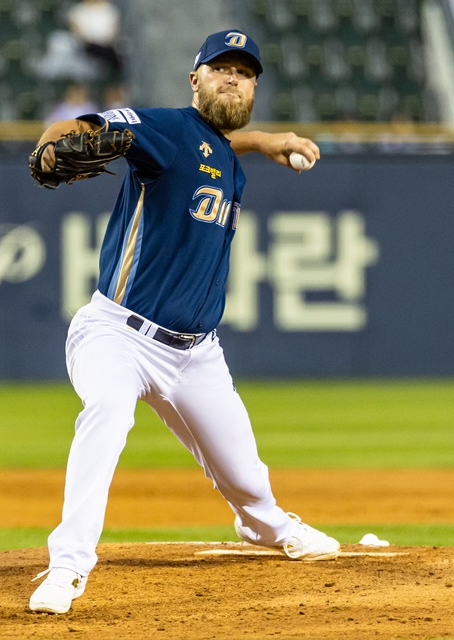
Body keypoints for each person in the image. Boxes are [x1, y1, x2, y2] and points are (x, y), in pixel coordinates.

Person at [28, 29, 339, 615]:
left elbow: (214, 144)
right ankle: (68, 566)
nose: (233, 78)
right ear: (195, 78)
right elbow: (83, 128)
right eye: (220, 68)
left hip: (197, 354)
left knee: (246, 477)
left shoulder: (219, 149)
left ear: (253, 88)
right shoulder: (167, 128)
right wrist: (51, 147)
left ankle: (265, 526)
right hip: (117, 334)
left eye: (244, 73)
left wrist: (264, 141)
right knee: (109, 412)